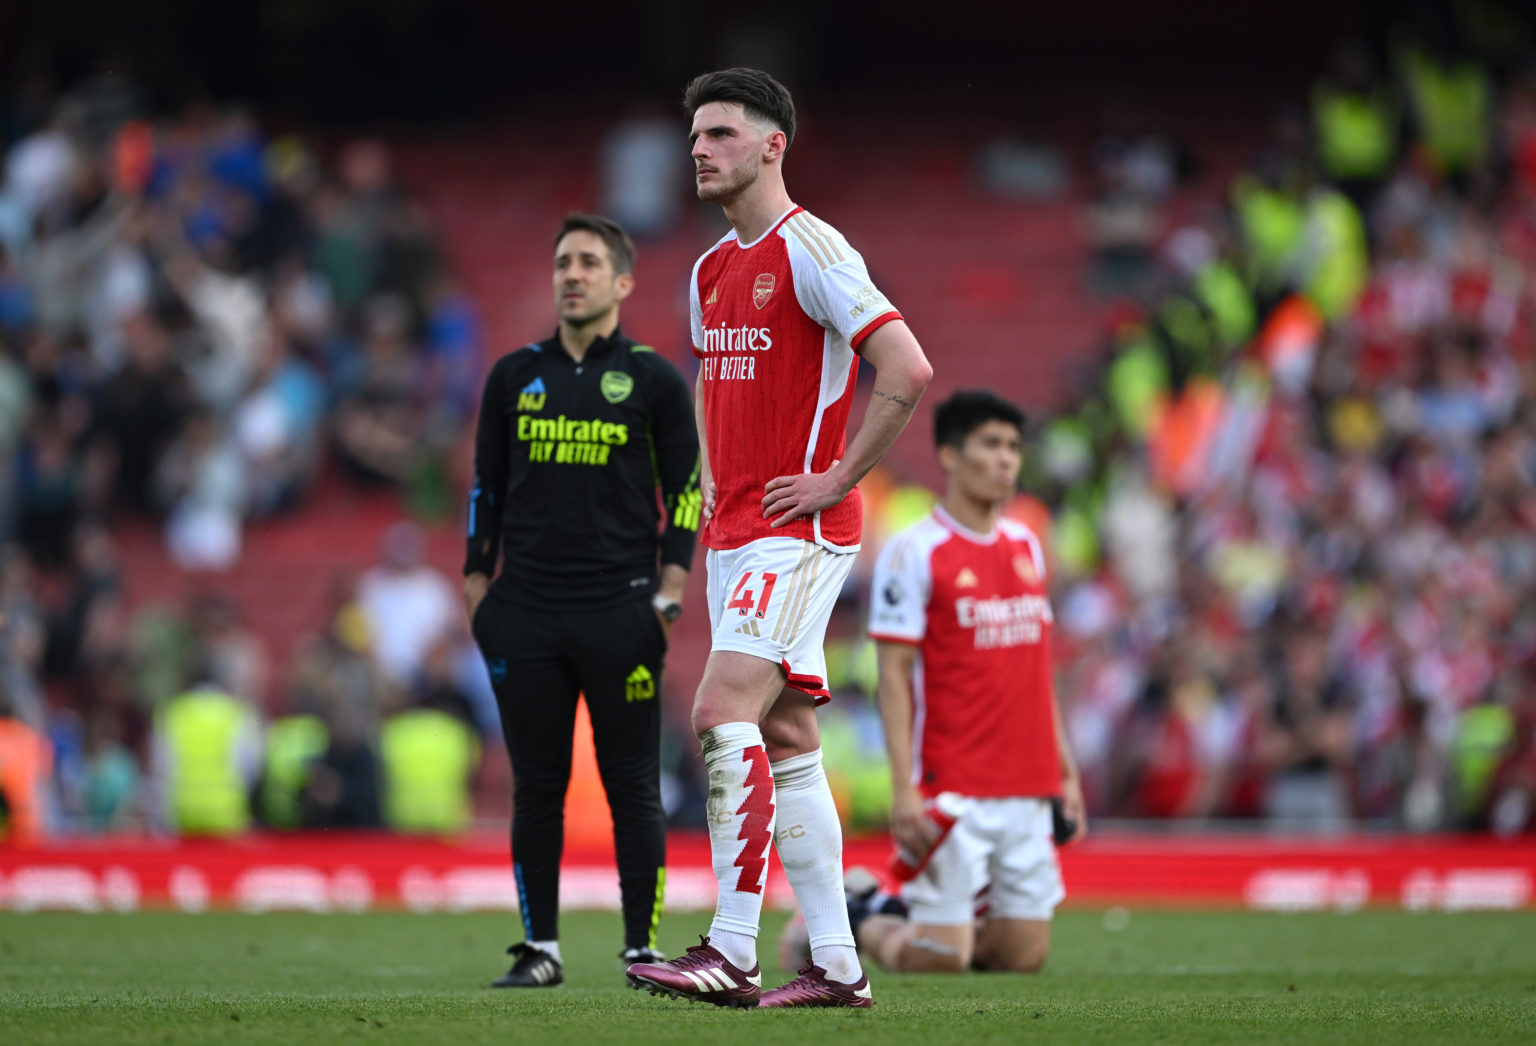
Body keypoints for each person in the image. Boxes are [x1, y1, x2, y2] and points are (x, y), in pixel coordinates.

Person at [626, 68, 933, 1010]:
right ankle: (839, 964)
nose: (700, 150)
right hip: (736, 533)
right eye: (693, 138)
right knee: (787, 736)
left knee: (720, 712)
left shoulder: (814, 250)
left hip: (797, 532)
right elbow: (717, 393)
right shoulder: (708, 270)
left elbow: (907, 367)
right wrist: (712, 481)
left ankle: (734, 949)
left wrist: (841, 476)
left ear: (773, 145)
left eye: (719, 133)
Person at [464, 213, 700, 988]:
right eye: (563, 260)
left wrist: (669, 589)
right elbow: (486, 489)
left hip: (620, 610)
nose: (572, 273)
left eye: (590, 262)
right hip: (523, 612)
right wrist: (477, 588)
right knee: (538, 785)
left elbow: (688, 492)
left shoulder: (656, 378)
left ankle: (641, 950)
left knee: (633, 783)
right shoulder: (512, 376)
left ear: (622, 282)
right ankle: (542, 950)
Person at [847, 391, 1085, 974]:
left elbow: (1036, 670)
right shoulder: (915, 551)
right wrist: (905, 788)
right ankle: (853, 919)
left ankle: (883, 902)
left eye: (1013, 447)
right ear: (951, 456)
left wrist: (1067, 773)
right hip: (952, 784)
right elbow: (894, 677)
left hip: (1027, 784)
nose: (1006, 460)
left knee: (1020, 956)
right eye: (991, 445)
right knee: (940, 960)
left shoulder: (1027, 546)